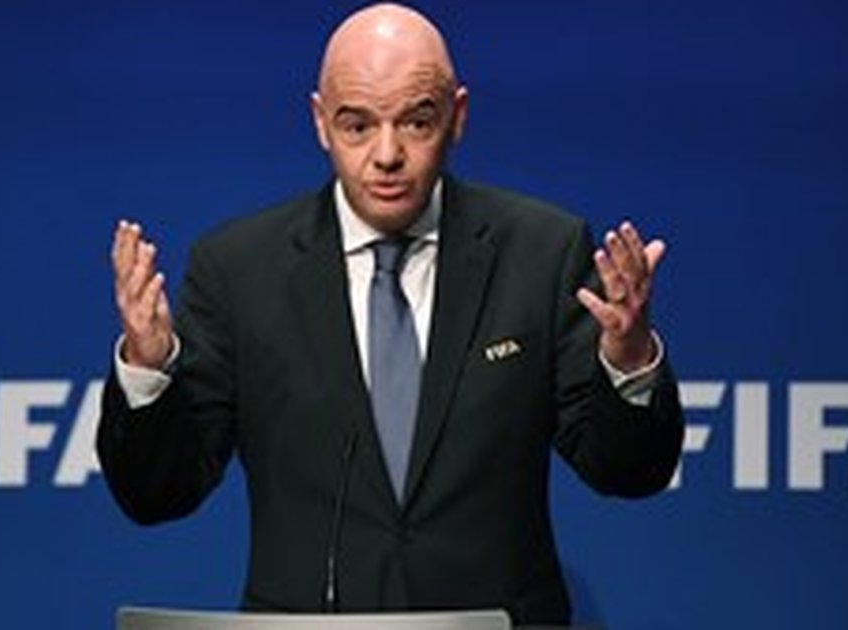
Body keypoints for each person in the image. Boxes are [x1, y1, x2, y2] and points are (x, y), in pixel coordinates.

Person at [98, 3, 684, 625]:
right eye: (357, 125)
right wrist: (148, 368)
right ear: (320, 122)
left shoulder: (541, 252)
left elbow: (629, 473)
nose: (386, 154)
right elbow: (157, 494)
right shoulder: (240, 269)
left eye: (416, 122)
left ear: (457, 116)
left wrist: (628, 362)